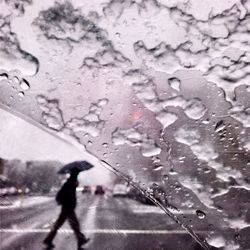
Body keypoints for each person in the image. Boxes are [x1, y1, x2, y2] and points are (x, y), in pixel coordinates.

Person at [43, 168, 89, 249]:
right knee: (74, 225)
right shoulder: (69, 183)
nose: (77, 175)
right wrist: (67, 202)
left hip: (68, 207)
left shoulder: (71, 183)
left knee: (60, 224)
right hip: (68, 208)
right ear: (74, 174)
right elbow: (65, 195)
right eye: (77, 174)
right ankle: (81, 240)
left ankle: (48, 240)